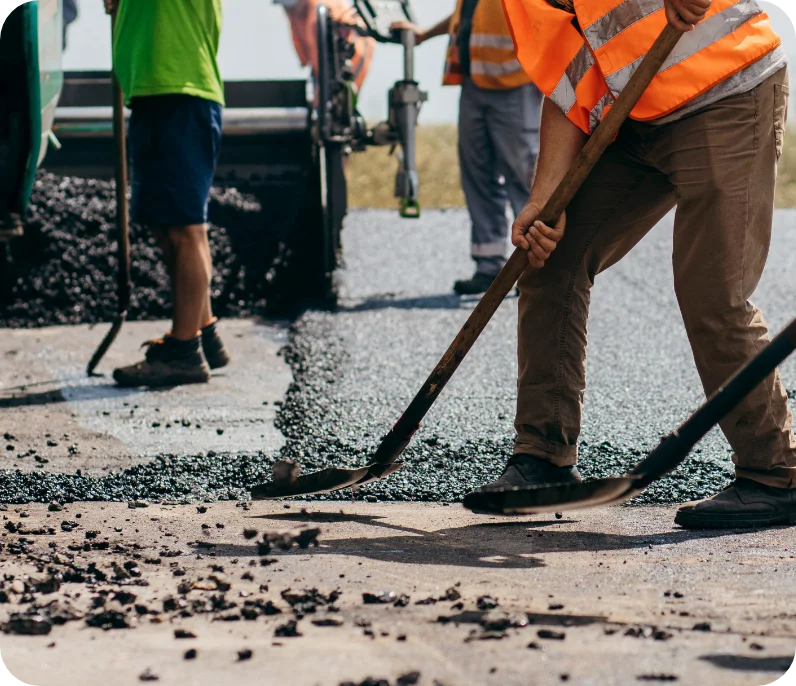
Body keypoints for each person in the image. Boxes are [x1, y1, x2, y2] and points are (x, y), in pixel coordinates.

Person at [471, 0, 795, 529]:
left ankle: (774, 473)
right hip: (635, 117)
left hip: (725, 93)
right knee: (551, 259)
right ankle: (541, 458)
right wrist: (545, 198)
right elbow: (566, 81)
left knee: (712, 290)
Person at [104, 0, 231, 387]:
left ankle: (183, 351)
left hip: (181, 91)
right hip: (155, 90)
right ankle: (202, 328)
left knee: (184, 228)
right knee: (167, 224)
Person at [392, 1, 543, 295]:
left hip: (516, 83)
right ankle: (489, 265)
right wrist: (424, 34)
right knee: (478, 175)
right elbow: (469, 17)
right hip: (475, 83)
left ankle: (535, 268)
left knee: (523, 176)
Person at [274, 0, 374, 94]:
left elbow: (317, 52)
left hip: (353, 52)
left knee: (342, 99)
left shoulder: (316, 13)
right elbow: (306, 56)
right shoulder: (296, 13)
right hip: (331, 60)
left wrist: (321, 93)